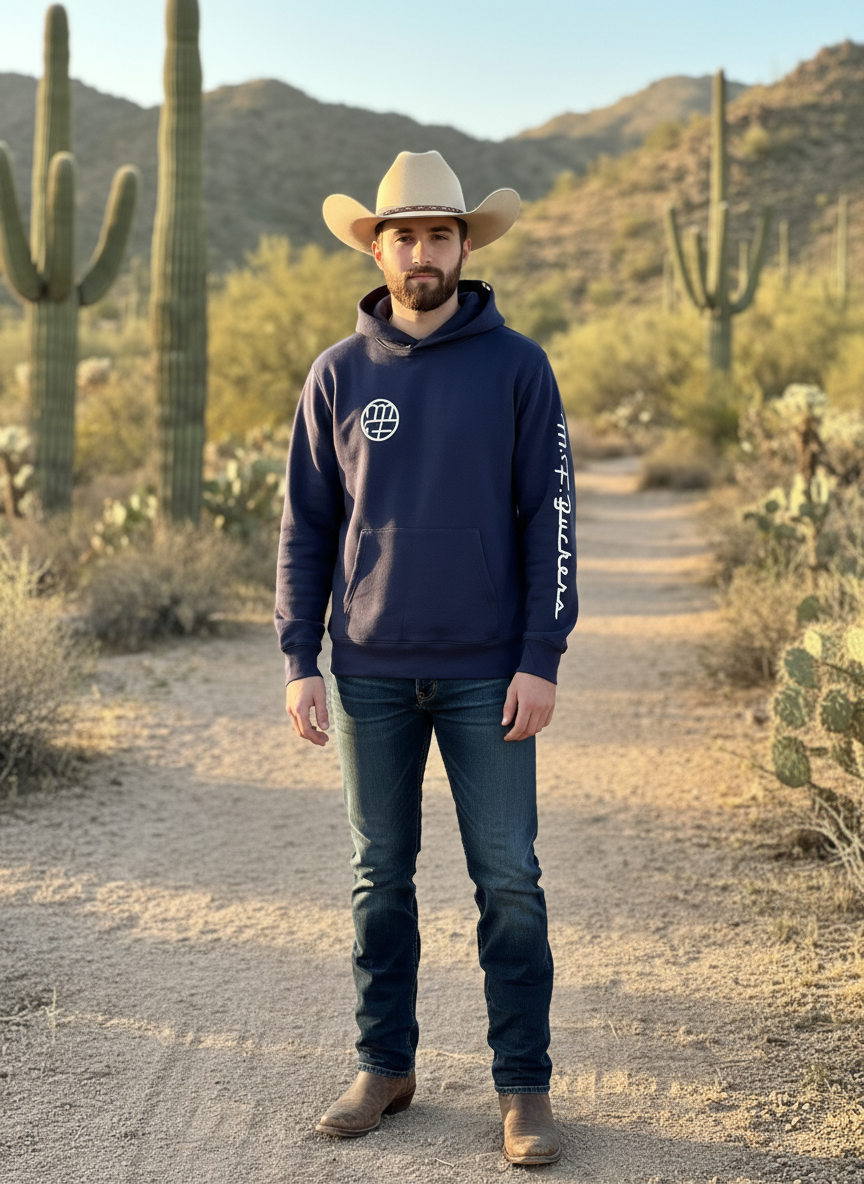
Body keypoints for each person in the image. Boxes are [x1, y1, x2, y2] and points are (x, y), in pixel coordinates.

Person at [275, 150, 577, 1166]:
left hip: (491, 670)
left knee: (510, 880)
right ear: (378, 246)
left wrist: (542, 652)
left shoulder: (519, 366)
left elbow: (554, 518)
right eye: (403, 234)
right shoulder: (338, 374)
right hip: (366, 670)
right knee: (379, 879)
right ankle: (385, 1064)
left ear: (463, 245)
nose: (422, 250)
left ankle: (524, 1086)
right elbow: (305, 528)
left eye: (439, 232)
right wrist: (298, 656)